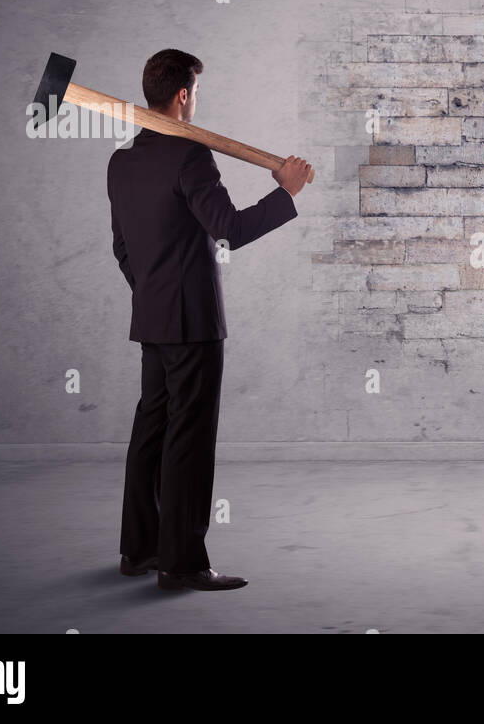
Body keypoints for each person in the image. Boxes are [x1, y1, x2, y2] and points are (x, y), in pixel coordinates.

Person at [107, 49, 313, 591]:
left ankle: (139, 550)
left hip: (151, 317)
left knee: (151, 430)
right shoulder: (191, 156)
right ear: (182, 95)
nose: (196, 101)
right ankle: (182, 563)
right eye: (195, 91)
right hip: (193, 323)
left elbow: (122, 248)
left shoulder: (121, 161)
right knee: (189, 440)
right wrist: (285, 191)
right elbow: (230, 230)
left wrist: (153, 292)